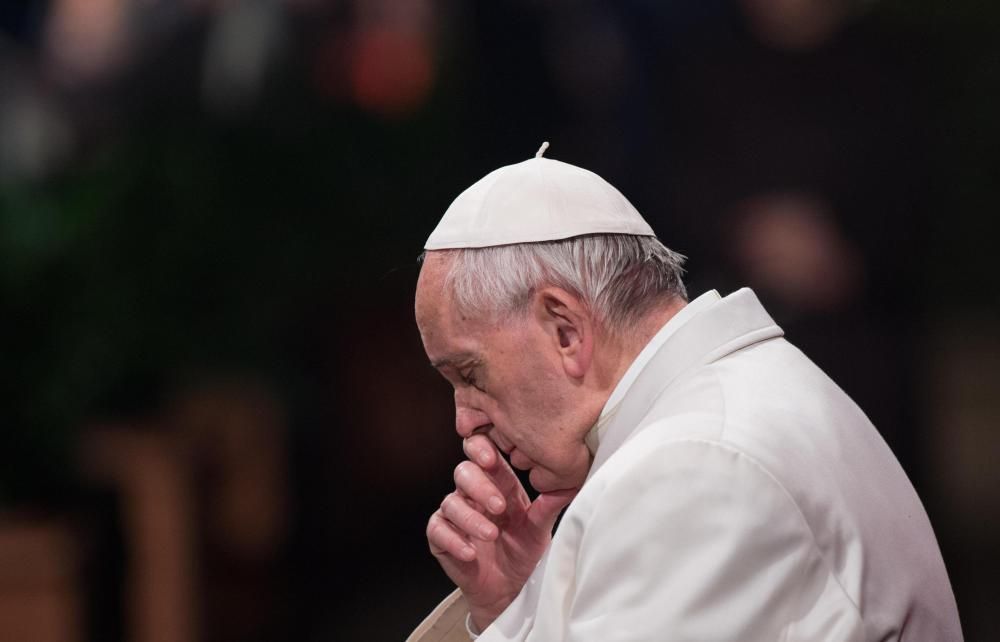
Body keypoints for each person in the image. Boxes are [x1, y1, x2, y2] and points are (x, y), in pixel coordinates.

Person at [407, 144, 961, 641]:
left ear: (565, 329)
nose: (465, 422)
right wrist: (520, 604)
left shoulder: (691, 467)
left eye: (470, 374)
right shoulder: (732, 405)